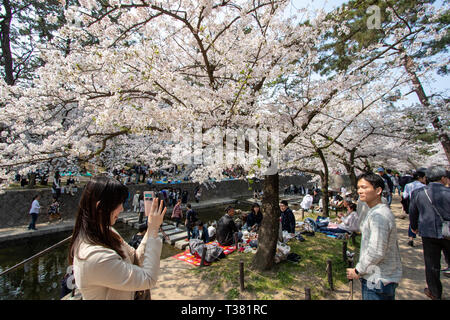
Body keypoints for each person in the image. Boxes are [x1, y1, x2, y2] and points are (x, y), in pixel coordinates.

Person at [69, 176, 166, 300]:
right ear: (101, 207)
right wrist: (153, 231)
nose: (122, 208)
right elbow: (148, 279)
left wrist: (151, 226)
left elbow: (135, 258)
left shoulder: (108, 232)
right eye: (118, 203)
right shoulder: (94, 257)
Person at [346, 172, 402, 300]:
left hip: (377, 278)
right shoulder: (378, 211)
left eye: (364, 187)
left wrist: (358, 270)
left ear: (378, 191)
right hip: (381, 277)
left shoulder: (378, 216)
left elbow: (376, 251)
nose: (360, 191)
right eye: (359, 187)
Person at [409, 166, 450, 300]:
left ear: (426, 178)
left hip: (428, 232)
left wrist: (414, 227)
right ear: (443, 178)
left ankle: (434, 292)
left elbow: (413, 212)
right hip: (448, 232)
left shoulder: (418, 193)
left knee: (432, 264)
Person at [402, 170, 426, 247]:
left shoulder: (408, 185)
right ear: (421, 178)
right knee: (422, 221)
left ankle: (411, 238)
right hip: (422, 205)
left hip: (412, 205)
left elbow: (405, 196)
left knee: (412, 220)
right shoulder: (424, 187)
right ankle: (423, 238)